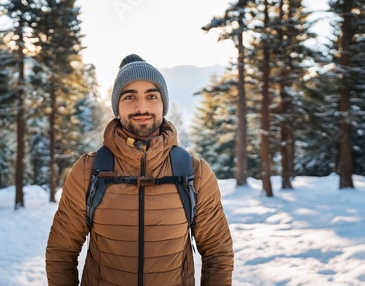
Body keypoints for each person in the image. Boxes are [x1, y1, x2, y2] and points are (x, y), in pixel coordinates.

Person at [46, 54, 234, 285]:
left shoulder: (194, 172)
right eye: (129, 96)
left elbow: (217, 253)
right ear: (117, 107)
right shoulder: (88, 171)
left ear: (163, 104)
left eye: (151, 96)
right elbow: (61, 252)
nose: (141, 106)